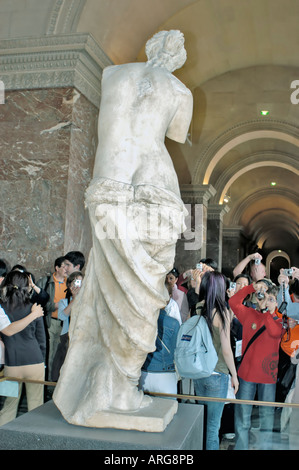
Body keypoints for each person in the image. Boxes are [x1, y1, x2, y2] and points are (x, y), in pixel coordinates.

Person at [53, 30, 193, 426]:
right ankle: (121, 386)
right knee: (144, 293)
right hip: (154, 187)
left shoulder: (113, 73)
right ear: (178, 57)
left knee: (110, 287)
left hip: (106, 187)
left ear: (149, 48)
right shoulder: (180, 90)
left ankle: (98, 385)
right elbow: (175, 135)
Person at [229, 280, 283, 450]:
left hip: (268, 376)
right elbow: (233, 302)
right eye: (265, 297)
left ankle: (266, 448)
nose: (267, 300)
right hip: (247, 373)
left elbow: (275, 332)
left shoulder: (280, 319)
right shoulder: (250, 314)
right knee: (243, 418)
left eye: (271, 298)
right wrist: (253, 288)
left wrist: (269, 311)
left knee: (267, 418)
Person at [193, 271, 239, 450]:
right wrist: (234, 375)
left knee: (203, 424)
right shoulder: (222, 313)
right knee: (213, 428)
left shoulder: (197, 307)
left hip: (199, 372)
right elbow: (226, 350)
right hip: (217, 373)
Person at [0, 271, 46, 426]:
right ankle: (35, 440)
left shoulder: (1, 307)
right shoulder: (34, 308)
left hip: (12, 364)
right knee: (36, 405)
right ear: (27, 287)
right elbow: (41, 339)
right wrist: (43, 362)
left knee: (9, 405)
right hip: (35, 362)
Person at [37, 257, 67, 381]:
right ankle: (48, 383)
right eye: (64, 266)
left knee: (61, 355)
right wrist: (54, 306)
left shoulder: (71, 282)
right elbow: (38, 302)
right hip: (50, 322)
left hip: (65, 324)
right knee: (49, 354)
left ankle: (58, 383)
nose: (67, 269)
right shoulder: (46, 282)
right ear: (57, 268)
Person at [139, 308, 180, 396]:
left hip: (144, 372)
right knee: (169, 408)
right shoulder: (173, 323)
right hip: (165, 375)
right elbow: (175, 350)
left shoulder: (141, 321)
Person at [51, 271, 83, 382]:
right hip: (68, 337)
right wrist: (74, 299)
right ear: (69, 286)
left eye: (79, 283)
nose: (77, 286)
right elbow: (62, 316)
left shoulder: (88, 301)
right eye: (74, 283)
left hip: (83, 338)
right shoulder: (64, 302)